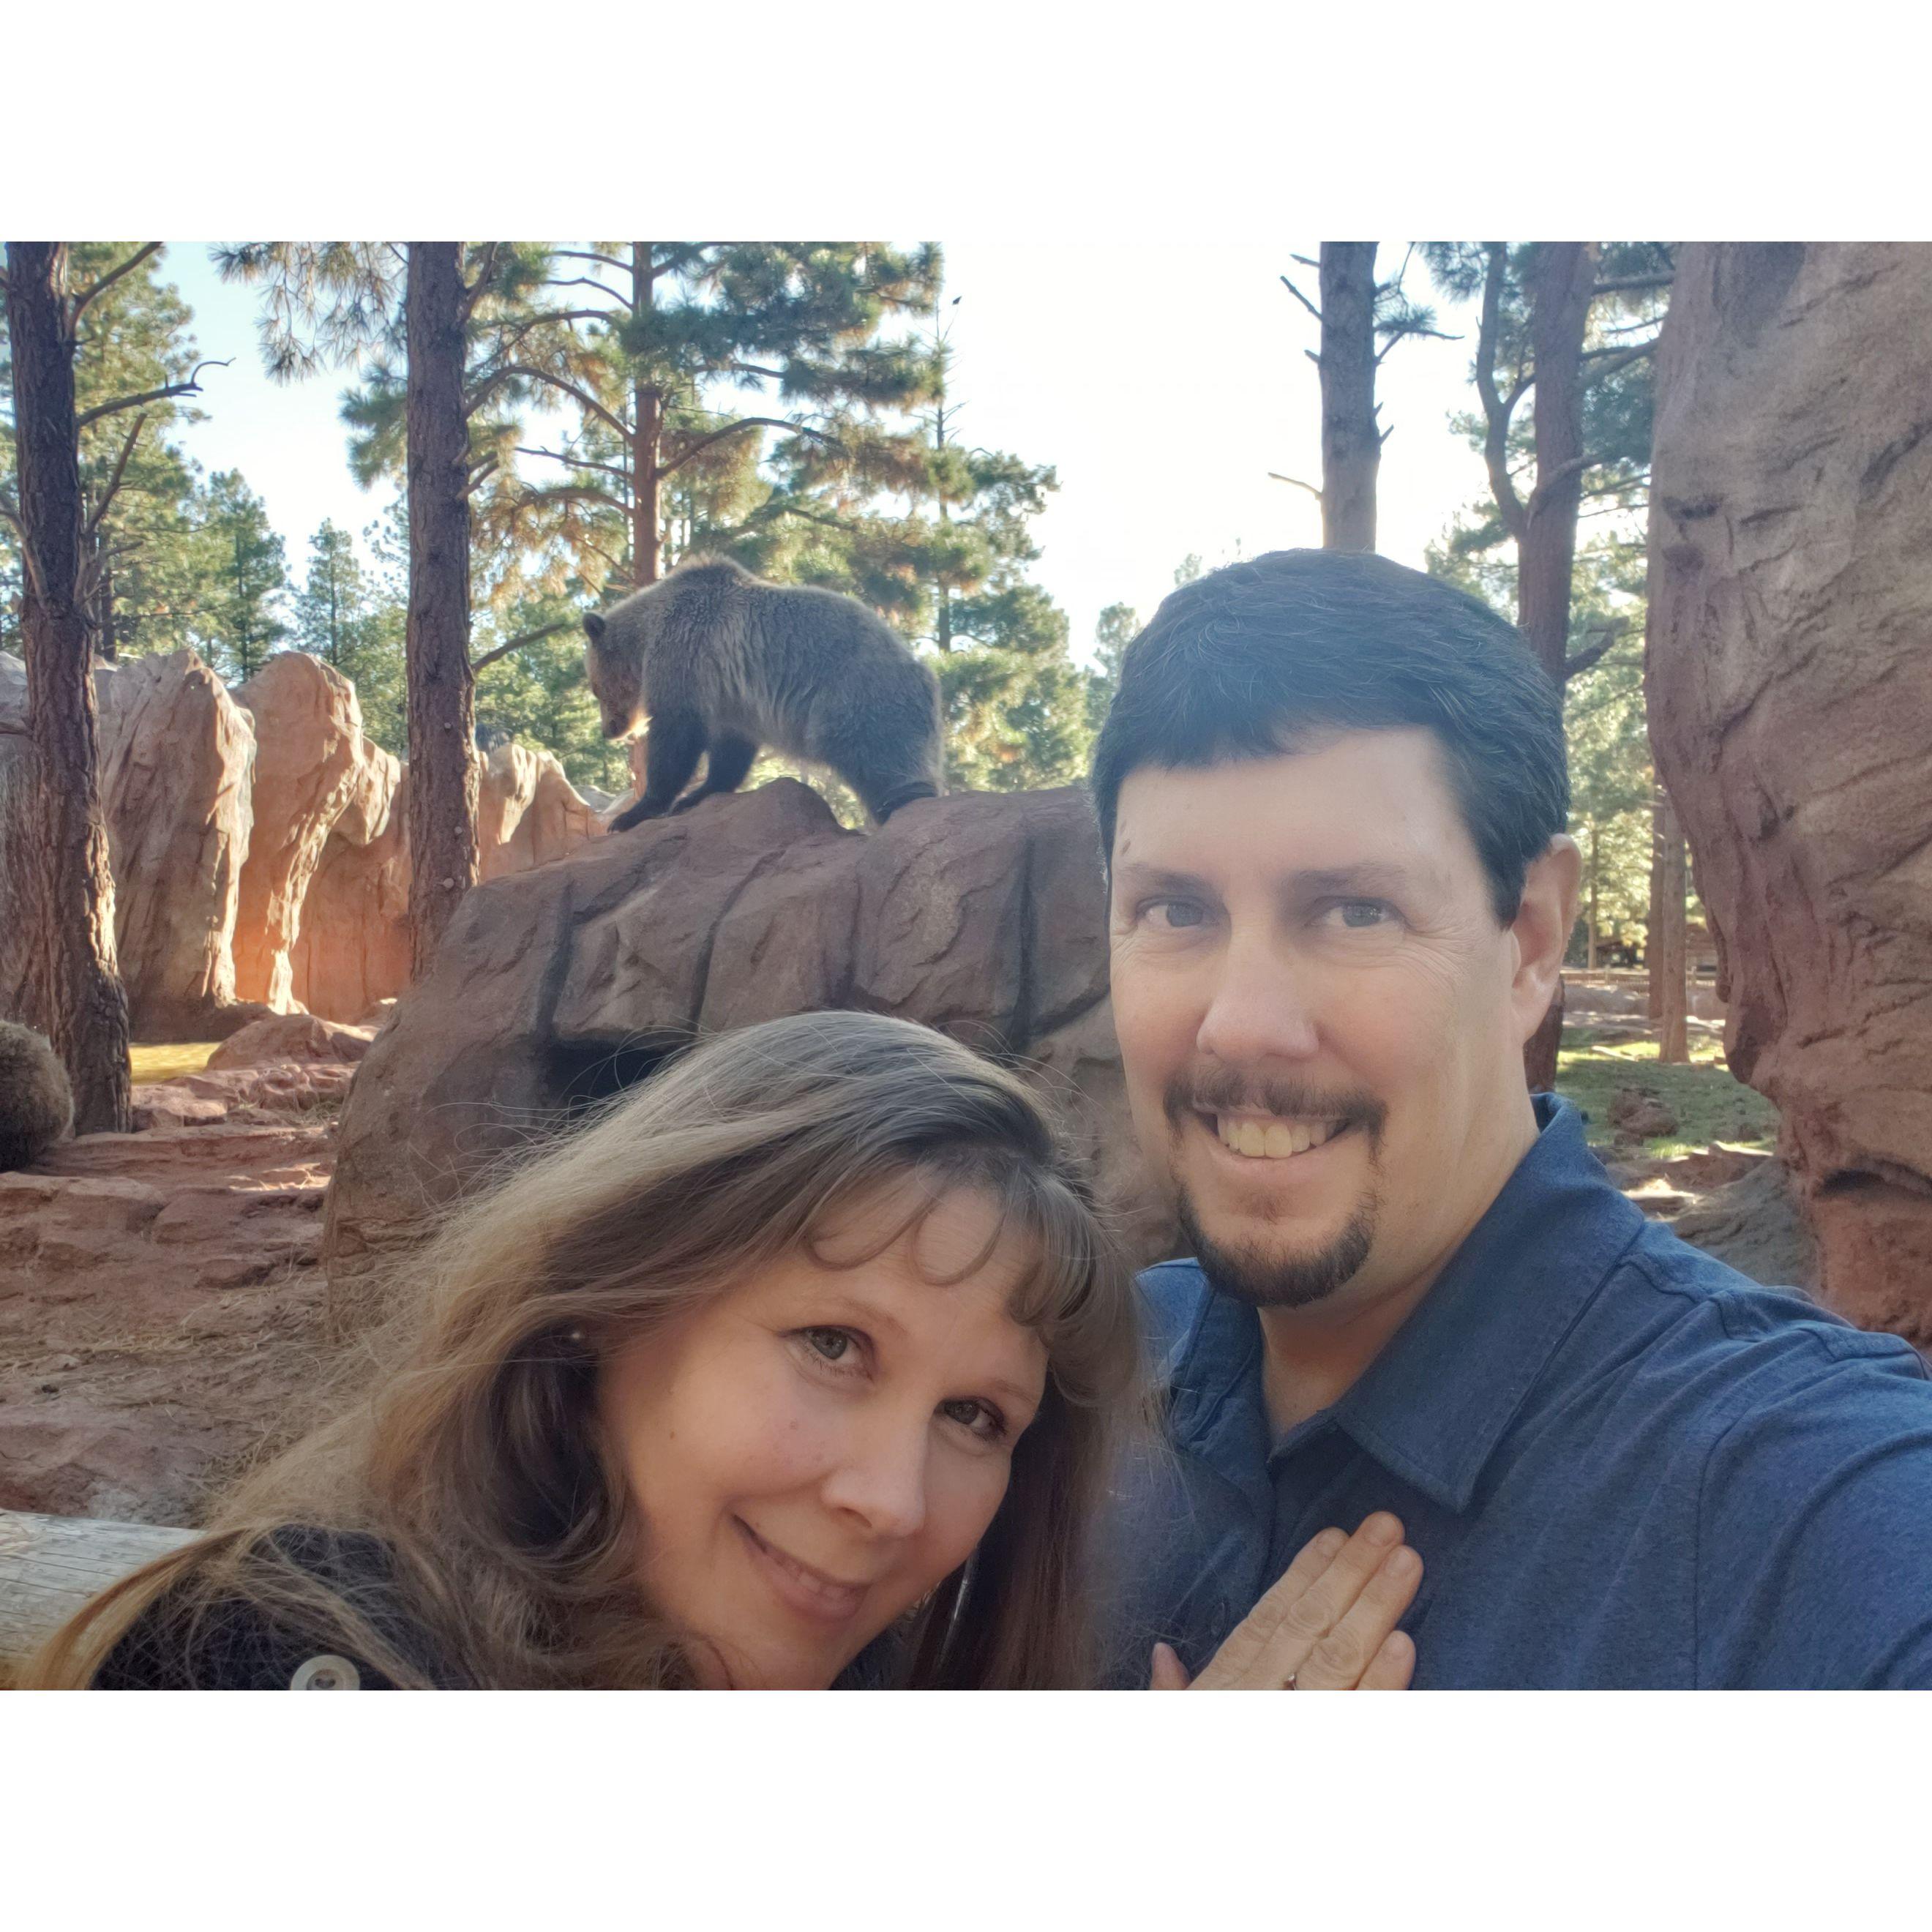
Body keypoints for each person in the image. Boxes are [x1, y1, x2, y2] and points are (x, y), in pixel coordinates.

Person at [1087, 547, 1932, 1690]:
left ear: (1530, 938)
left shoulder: (1810, 1499)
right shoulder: (1075, 1377)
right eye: (1174, 909)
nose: (1242, 1027)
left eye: (1352, 909)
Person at [25, 1009, 1416, 1691]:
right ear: (609, 1304)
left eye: (978, 1419)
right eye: (831, 1344)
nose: (889, 1498)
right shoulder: (293, 1658)